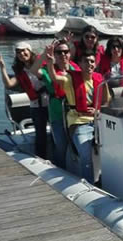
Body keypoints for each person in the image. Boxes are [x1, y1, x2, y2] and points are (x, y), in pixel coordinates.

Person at [46, 46, 110, 183]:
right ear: (80, 64)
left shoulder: (100, 80)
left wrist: (98, 111)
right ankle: (89, 184)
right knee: (85, 155)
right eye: (86, 61)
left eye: (92, 62)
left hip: (99, 121)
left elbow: (106, 102)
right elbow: (55, 78)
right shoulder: (69, 79)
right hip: (79, 122)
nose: (89, 64)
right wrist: (51, 63)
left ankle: (109, 181)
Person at [0, 42, 48, 158]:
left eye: (24, 51)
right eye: (18, 52)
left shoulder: (41, 64)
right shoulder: (20, 71)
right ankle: (41, 157)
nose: (22, 54)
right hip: (35, 106)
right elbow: (9, 84)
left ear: (30, 51)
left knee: (56, 133)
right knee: (40, 135)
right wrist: (2, 67)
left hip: (50, 103)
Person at [39, 39, 80, 169]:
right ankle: (59, 169)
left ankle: (75, 169)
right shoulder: (47, 70)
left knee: (77, 144)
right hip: (57, 113)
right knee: (61, 145)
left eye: (65, 51)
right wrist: (45, 55)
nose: (63, 55)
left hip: (75, 114)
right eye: (59, 52)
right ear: (55, 54)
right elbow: (34, 70)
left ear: (70, 53)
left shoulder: (76, 68)